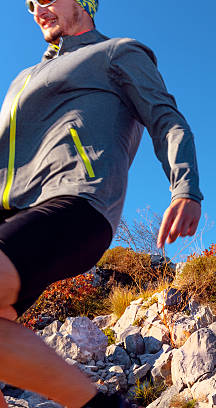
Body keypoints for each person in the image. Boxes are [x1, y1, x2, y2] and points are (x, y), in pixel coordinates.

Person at [0, 0, 202, 407]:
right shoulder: (23, 76)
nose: (38, 9)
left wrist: (185, 187)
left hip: (76, 201)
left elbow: (166, 118)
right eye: (29, 4)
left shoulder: (116, 52)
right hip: (11, 212)